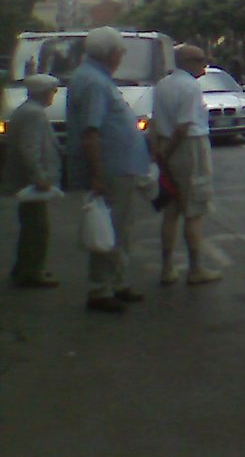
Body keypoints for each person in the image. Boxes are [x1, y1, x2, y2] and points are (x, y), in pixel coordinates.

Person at [65, 27, 153, 314]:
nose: (121, 56)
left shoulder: (94, 78)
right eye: (120, 51)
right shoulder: (93, 82)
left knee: (121, 229)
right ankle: (101, 289)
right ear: (110, 53)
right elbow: (91, 132)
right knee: (110, 230)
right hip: (112, 169)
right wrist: (98, 174)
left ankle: (117, 282)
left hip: (119, 167)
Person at [152, 45, 222, 286]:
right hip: (189, 147)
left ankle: (167, 268)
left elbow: (156, 120)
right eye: (202, 59)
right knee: (194, 209)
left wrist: (160, 154)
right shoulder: (190, 87)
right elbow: (183, 126)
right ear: (189, 61)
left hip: (166, 145)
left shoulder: (163, 84)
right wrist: (169, 151)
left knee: (171, 211)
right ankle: (195, 268)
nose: (205, 63)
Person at [3, 74, 62, 288]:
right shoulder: (34, 114)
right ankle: (32, 271)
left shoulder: (26, 111)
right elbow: (30, 148)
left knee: (31, 225)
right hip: (32, 182)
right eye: (52, 91)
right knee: (37, 228)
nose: (53, 96)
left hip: (27, 180)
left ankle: (24, 267)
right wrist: (39, 177)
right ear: (43, 92)